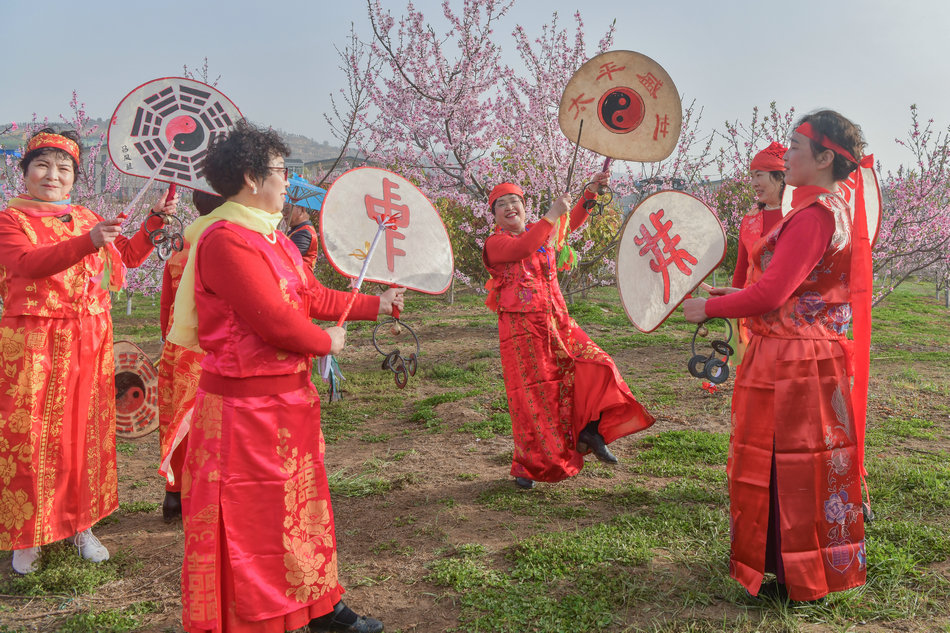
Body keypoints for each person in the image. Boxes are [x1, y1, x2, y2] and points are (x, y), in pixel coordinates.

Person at [168, 119, 401, 633]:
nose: (287, 183)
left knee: (301, 511)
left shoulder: (274, 240)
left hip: (287, 403)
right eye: (280, 171)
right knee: (254, 523)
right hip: (242, 411)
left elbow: (310, 296)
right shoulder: (226, 242)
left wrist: (375, 306)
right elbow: (272, 319)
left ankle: (319, 605)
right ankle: (263, 616)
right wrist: (326, 341)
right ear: (252, 178)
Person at [682, 110, 871, 601]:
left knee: (786, 464)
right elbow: (783, 288)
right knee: (796, 464)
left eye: (795, 147)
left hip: (793, 360)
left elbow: (769, 296)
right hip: (805, 354)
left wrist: (710, 307)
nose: (785, 154)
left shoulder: (814, 215)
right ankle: (794, 572)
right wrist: (726, 291)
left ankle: (796, 578)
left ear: (825, 157)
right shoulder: (832, 206)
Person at [0, 128, 177, 574]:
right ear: (23, 172)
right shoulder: (10, 220)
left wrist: (151, 222)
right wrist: (89, 240)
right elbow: (26, 264)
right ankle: (29, 536)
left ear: (75, 177)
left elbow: (124, 259)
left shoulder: (84, 216)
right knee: (32, 435)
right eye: (42, 165)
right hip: (35, 341)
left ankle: (81, 524)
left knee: (84, 433)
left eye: (63, 169)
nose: (52, 175)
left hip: (89, 339)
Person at [483, 172, 654, 489]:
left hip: (557, 320)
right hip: (522, 331)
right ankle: (527, 465)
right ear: (494, 215)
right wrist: (551, 215)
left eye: (515, 202)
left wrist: (589, 194)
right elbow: (523, 248)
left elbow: (568, 222)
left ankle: (591, 429)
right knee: (534, 397)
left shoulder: (541, 230)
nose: (510, 208)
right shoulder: (496, 243)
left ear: (525, 206)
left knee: (598, 364)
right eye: (501, 204)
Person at [155, 190, 221, 522]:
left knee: (175, 417)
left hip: (176, 344)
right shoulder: (226, 243)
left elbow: (166, 304)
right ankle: (204, 492)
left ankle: (173, 495)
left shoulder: (181, 247)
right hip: (209, 345)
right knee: (210, 421)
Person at [731, 142, 787, 361]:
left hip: (789, 315)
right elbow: (741, 268)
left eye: (759, 175)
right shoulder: (750, 219)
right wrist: (732, 308)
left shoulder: (800, 216)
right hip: (753, 311)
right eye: (751, 176)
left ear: (780, 177)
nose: (753, 183)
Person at [286, 203, 320, 270]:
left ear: (301, 209)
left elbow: (286, 257)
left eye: (287, 210)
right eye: (283, 210)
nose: (284, 214)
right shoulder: (297, 229)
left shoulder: (304, 233)